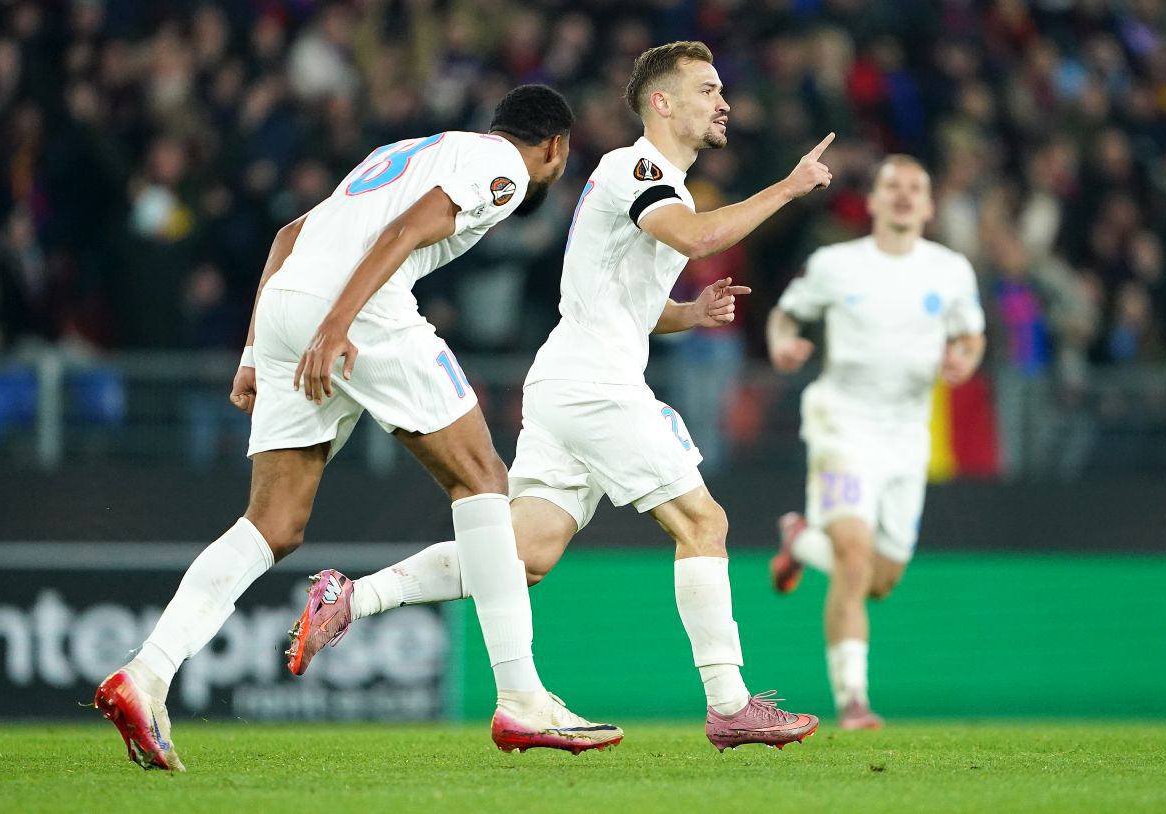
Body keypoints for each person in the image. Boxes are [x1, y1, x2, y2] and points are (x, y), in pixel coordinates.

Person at [289, 41, 833, 751]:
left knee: (524, 557)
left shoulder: (652, 181)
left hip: (570, 379)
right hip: (595, 384)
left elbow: (622, 298)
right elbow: (697, 237)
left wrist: (688, 314)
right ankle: (729, 703)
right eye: (706, 89)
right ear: (661, 103)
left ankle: (352, 597)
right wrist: (787, 188)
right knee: (704, 523)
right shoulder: (638, 167)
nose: (722, 101)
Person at [93, 85, 622, 771]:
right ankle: (521, 696)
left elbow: (288, 236)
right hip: (357, 307)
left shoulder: (407, 151)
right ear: (556, 146)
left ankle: (147, 672)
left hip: (286, 301)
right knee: (482, 477)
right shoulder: (506, 168)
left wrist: (256, 350)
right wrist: (337, 324)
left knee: (273, 523)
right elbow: (402, 236)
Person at [765, 155, 986, 730]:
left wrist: (964, 356)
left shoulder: (950, 270)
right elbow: (784, 317)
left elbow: (971, 333)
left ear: (930, 205)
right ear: (873, 201)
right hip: (842, 423)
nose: (905, 195)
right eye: (894, 186)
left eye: (917, 187)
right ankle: (853, 700)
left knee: (879, 581)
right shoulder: (837, 265)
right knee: (855, 557)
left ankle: (801, 538)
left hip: (906, 436)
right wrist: (783, 345)